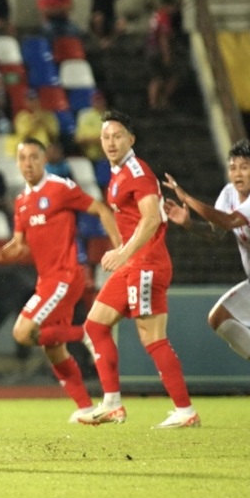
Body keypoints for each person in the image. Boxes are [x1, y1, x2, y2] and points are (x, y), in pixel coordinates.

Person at [0, 137, 121, 421]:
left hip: (66, 276)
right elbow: (19, 246)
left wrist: (121, 250)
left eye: (33, 157)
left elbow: (102, 210)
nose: (28, 164)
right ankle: (85, 407)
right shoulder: (21, 201)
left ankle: (85, 334)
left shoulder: (60, 188)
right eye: (22, 158)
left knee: (22, 332)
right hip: (48, 280)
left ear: (44, 160)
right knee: (53, 347)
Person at [77, 110, 200, 428]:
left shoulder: (136, 171)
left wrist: (123, 251)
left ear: (131, 139)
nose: (110, 142)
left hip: (146, 264)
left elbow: (151, 218)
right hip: (136, 264)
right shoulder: (118, 172)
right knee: (95, 326)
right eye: (105, 136)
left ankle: (185, 411)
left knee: (152, 338)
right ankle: (112, 404)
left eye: (117, 135)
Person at [162, 139, 250, 400]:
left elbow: (230, 220)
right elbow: (216, 234)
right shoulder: (229, 193)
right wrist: (189, 224)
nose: (237, 173)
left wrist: (187, 198)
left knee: (219, 318)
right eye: (233, 167)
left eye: (244, 167)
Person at [146, 0, 181, 111]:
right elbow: (163, 38)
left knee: (156, 77)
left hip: (150, 49)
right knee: (171, 76)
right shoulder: (164, 18)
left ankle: (153, 103)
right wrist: (167, 55)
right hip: (158, 51)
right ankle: (163, 100)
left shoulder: (155, 16)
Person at [74, 89, 108, 162]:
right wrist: (99, 139)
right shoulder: (84, 115)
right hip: (89, 157)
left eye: (100, 99)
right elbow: (79, 139)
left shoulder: (111, 117)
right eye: (95, 98)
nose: (98, 101)